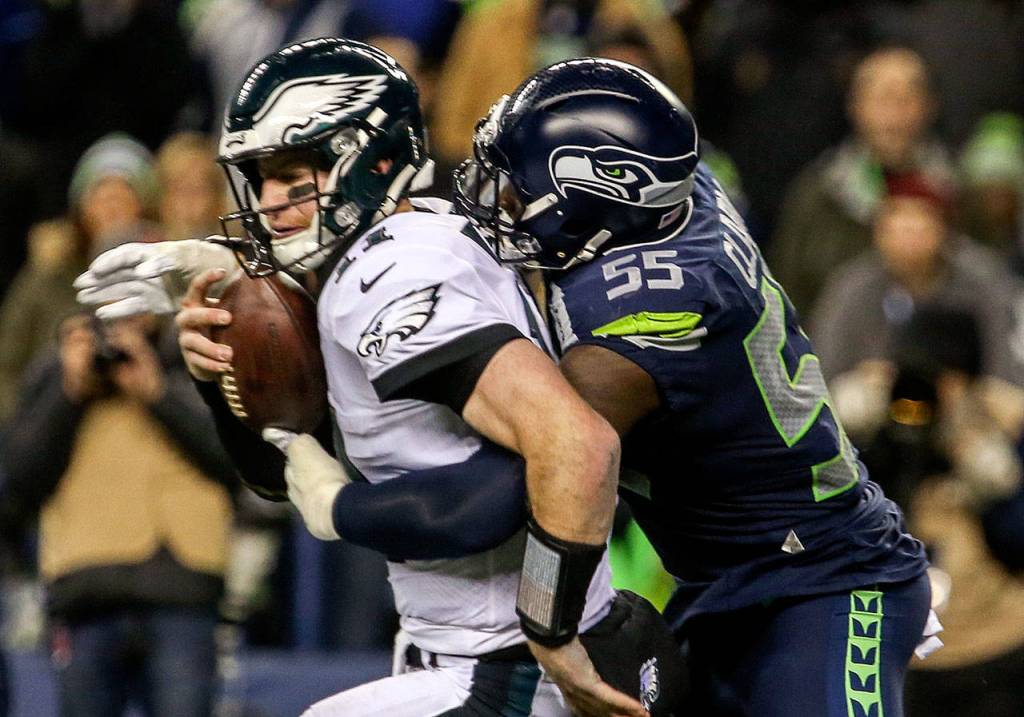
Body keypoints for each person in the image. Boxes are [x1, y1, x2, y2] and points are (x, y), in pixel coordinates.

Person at [76, 39, 681, 717]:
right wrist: (220, 369)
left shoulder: (390, 275)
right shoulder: (416, 236)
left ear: (377, 159)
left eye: (291, 172)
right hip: (464, 650)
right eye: (258, 177)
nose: (268, 200)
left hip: (504, 665)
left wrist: (343, 508)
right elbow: (278, 471)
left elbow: (512, 486)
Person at [448, 58, 935, 716]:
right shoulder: (667, 195)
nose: (502, 199)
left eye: (520, 186)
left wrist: (548, 625)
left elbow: (558, 464)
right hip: (727, 580)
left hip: (825, 579)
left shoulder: (648, 315)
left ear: (602, 193)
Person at [0, 311, 236, 717]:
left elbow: (240, 464)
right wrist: (69, 391)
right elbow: (20, 479)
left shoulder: (195, 358)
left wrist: (158, 393)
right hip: (85, 588)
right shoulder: (55, 370)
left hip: (181, 586)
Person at [771, 46, 958, 316]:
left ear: (930, 106)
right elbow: (784, 292)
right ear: (856, 107)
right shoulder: (818, 193)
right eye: (882, 99)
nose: (893, 117)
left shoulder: (955, 190)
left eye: (906, 99)